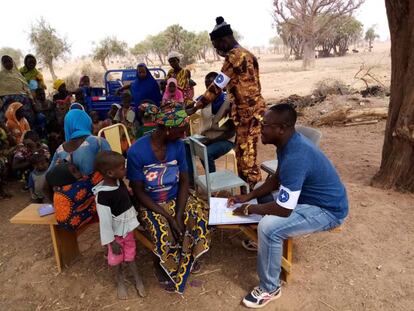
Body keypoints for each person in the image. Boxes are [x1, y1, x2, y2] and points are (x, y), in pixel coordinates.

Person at [227, 104, 348, 308]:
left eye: (265, 125)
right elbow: (276, 179)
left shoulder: (295, 156)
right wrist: (248, 197)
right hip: (309, 200)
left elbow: (284, 209)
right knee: (260, 191)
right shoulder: (288, 144)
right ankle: (265, 245)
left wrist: (250, 209)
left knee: (269, 227)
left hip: (327, 210)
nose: (260, 129)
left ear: (281, 128)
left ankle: (269, 288)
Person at [127, 106, 210, 294]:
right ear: (167, 129)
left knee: (197, 217)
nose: (184, 135)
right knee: (163, 230)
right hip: (151, 203)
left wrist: (179, 214)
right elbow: (139, 192)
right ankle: (162, 265)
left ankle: (189, 256)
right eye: (181, 130)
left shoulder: (178, 146)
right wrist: (170, 217)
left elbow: (184, 181)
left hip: (176, 196)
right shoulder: (136, 152)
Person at [189, 17, 266, 190]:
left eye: (217, 46)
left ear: (224, 41)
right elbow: (245, 87)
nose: (217, 50)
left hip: (248, 116)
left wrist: (196, 106)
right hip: (250, 114)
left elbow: (218, 85)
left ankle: (255, 198)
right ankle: (248, 193)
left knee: (247, 162)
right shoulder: (248, 53)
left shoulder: (235, 56)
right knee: (244, 157)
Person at [46, 109, 111, 230]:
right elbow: (112, 167)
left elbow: (48, 178)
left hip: (72, 207)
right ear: (87, 123)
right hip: (97, 200)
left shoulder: (60, 149)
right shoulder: (98, 142)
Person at [93, 151, 146, 299]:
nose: (125, 170)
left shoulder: (118, 182)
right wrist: (111, 241)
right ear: (110, 172)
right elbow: (104, 222)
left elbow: (125, 202)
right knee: (116, 259)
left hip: (127, 230)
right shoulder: (103, 196)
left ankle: (137, 280)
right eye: (122, 168)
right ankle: (120, 281)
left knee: (130, 255)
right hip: (115, 235)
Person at [185, 72, 235, 183]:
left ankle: (213, 183)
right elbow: (187, 110)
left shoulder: (227, 103)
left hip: (225, 139)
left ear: (220, 87)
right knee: (186, 146)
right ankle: (191, 182)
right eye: (207, 86)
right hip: (207, 136)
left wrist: (211, 140)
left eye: (212, 86)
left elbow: (231, 133)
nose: (210, 89)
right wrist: (192, 108)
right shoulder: (204, 99)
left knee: (206, 153)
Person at [0, 55, 35, 125]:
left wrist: (32, 101)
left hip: (23, 100)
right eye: (5, 62)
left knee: (27, 119)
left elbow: (26, 88)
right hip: (6, 101)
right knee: (7, 120)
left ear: (12, 62)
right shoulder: (1, 75)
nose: (8, 64)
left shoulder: (19, 75)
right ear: (2, 64)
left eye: (9, 61)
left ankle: (28, 133)